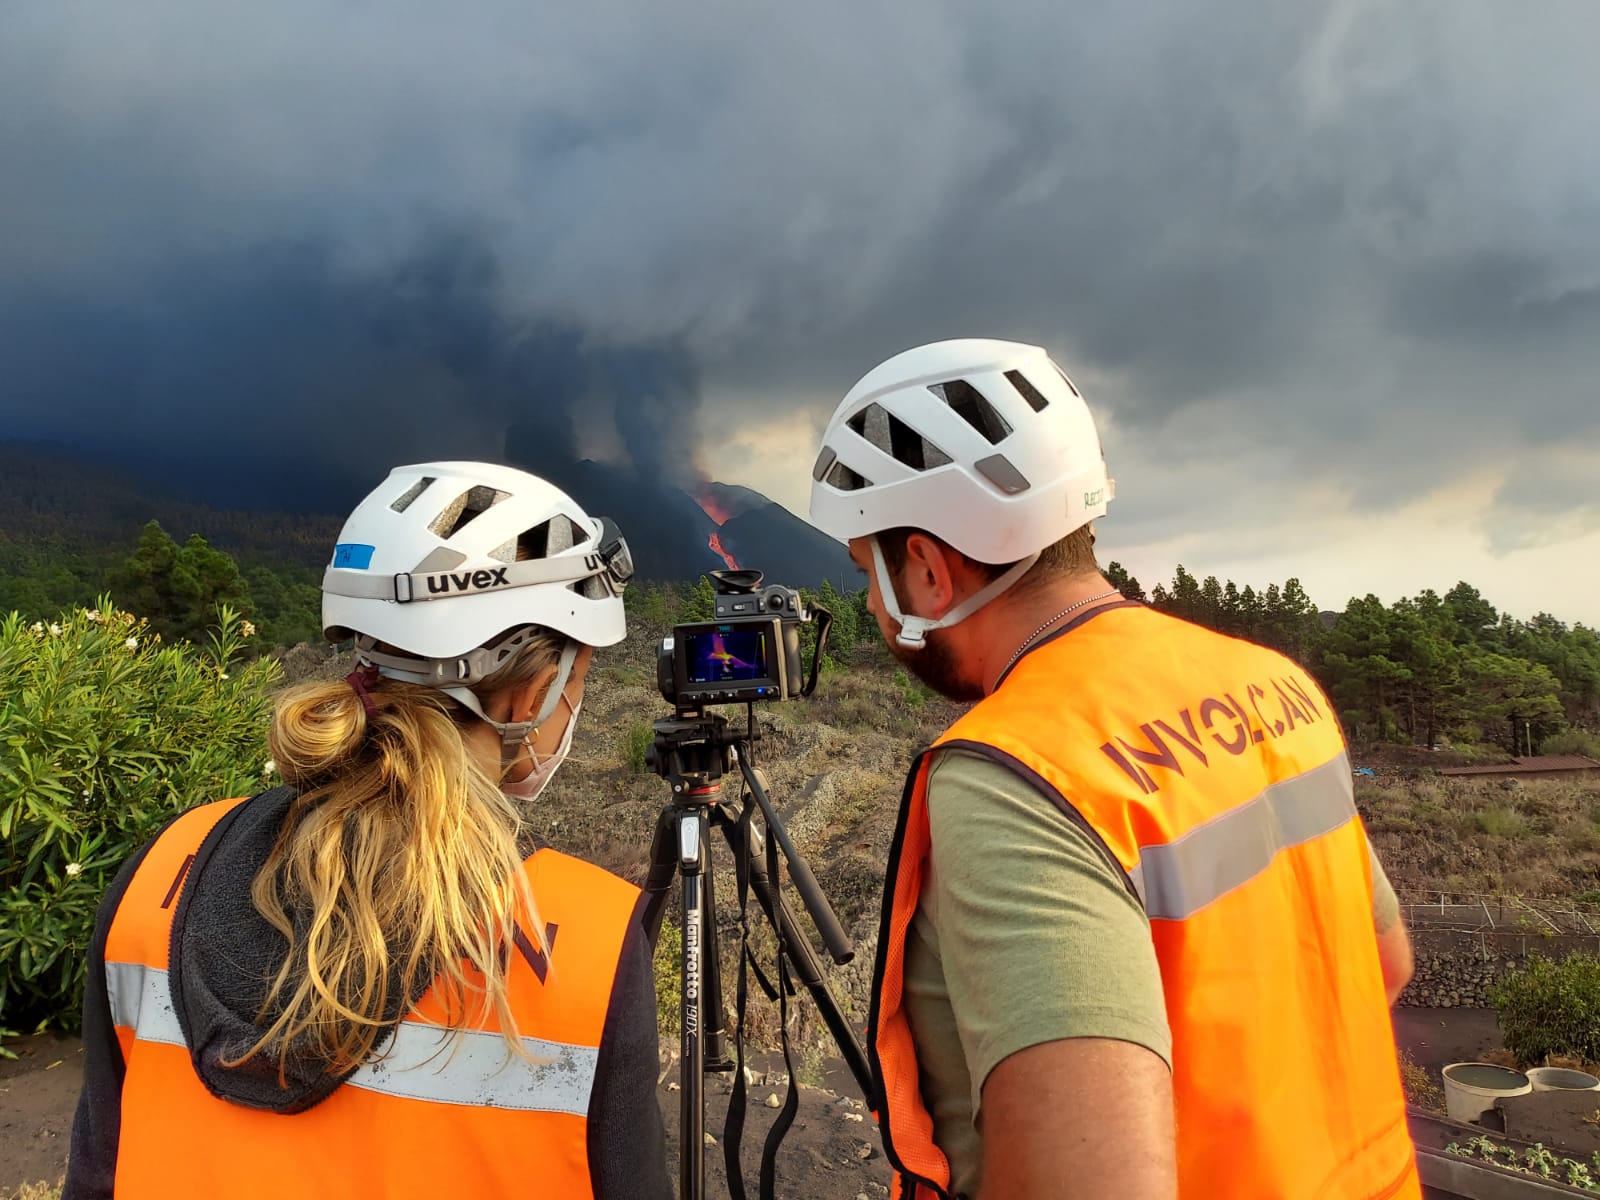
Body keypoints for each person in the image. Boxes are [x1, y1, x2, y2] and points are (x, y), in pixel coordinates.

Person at [809, 341, 1418, 1200]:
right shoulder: (1271, 682)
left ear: (927, 568)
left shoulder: (1019, 773)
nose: (872, 605)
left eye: (867, 572)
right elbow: (1383, 964)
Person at [65, 462, 671, 1200]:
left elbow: (98, 1171)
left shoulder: (163, 870)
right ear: (534, 691)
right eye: (581, 676)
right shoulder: (587, 941)